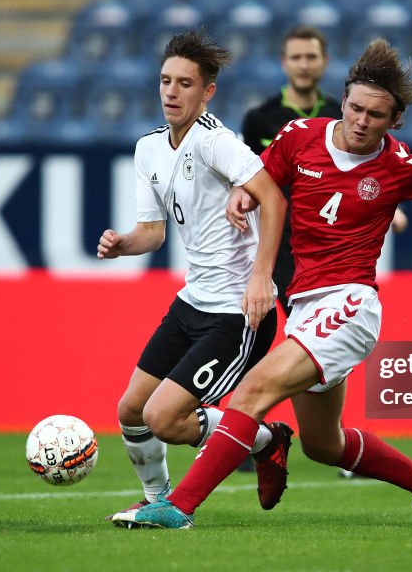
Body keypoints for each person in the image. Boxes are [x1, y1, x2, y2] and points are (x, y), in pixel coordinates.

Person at [112, 38, 412, 530]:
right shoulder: (299, 136)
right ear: (345, 100)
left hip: (351, 305)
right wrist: (241, 199)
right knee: (322, 445)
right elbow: (263, 182)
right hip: (306, 307)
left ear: (394, 121)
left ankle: (177, 507)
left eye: (375, 116)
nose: (359, 121)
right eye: (354, 107)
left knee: (254, 389)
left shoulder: (397, 164)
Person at [96, 28, 292, 522]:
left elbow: (273, 198)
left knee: (165, 417)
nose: (171, 92)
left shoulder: (217, 142)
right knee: (131, 411)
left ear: (207, 92)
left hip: (237, 312)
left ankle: (267, 440)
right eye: (165, 81)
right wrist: (123, 244)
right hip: (192, 302)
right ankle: (157, 499)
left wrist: (260, 278)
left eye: (185, 83)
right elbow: (152, 233)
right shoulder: (149, 150)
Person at [237, 24, 407, 476]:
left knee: (307, 345)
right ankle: (247, 428)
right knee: (268, 339)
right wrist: (244, 197)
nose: (304, 64)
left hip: (329, 255)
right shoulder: (262, 119)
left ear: (323, 63)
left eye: (311, 57)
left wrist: (392, 206)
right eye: (296, 57)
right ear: (284, 62)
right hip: (281, 247)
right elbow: (253, 177)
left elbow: (378, 178)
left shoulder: (347, 112)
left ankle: (251, 430)